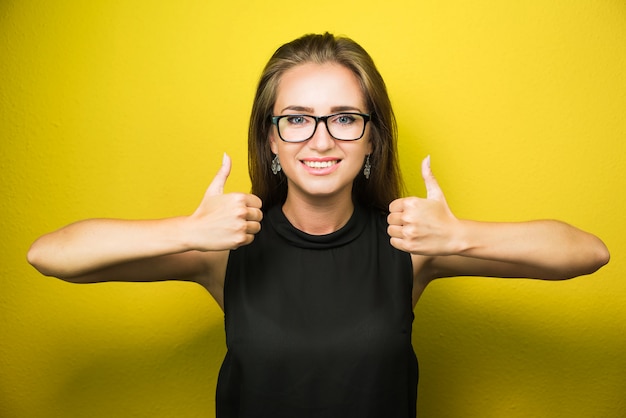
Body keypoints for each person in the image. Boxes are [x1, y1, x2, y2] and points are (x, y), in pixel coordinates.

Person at [27, 33, 609, 417]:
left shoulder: (411, 245)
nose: (322, 139)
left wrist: (463, 237)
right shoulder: (225, 250)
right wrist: (183, 230)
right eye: (297, 119)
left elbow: (587, 253)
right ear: (271, 141)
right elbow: (51, 256)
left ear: (373, 138)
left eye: (345, 118)